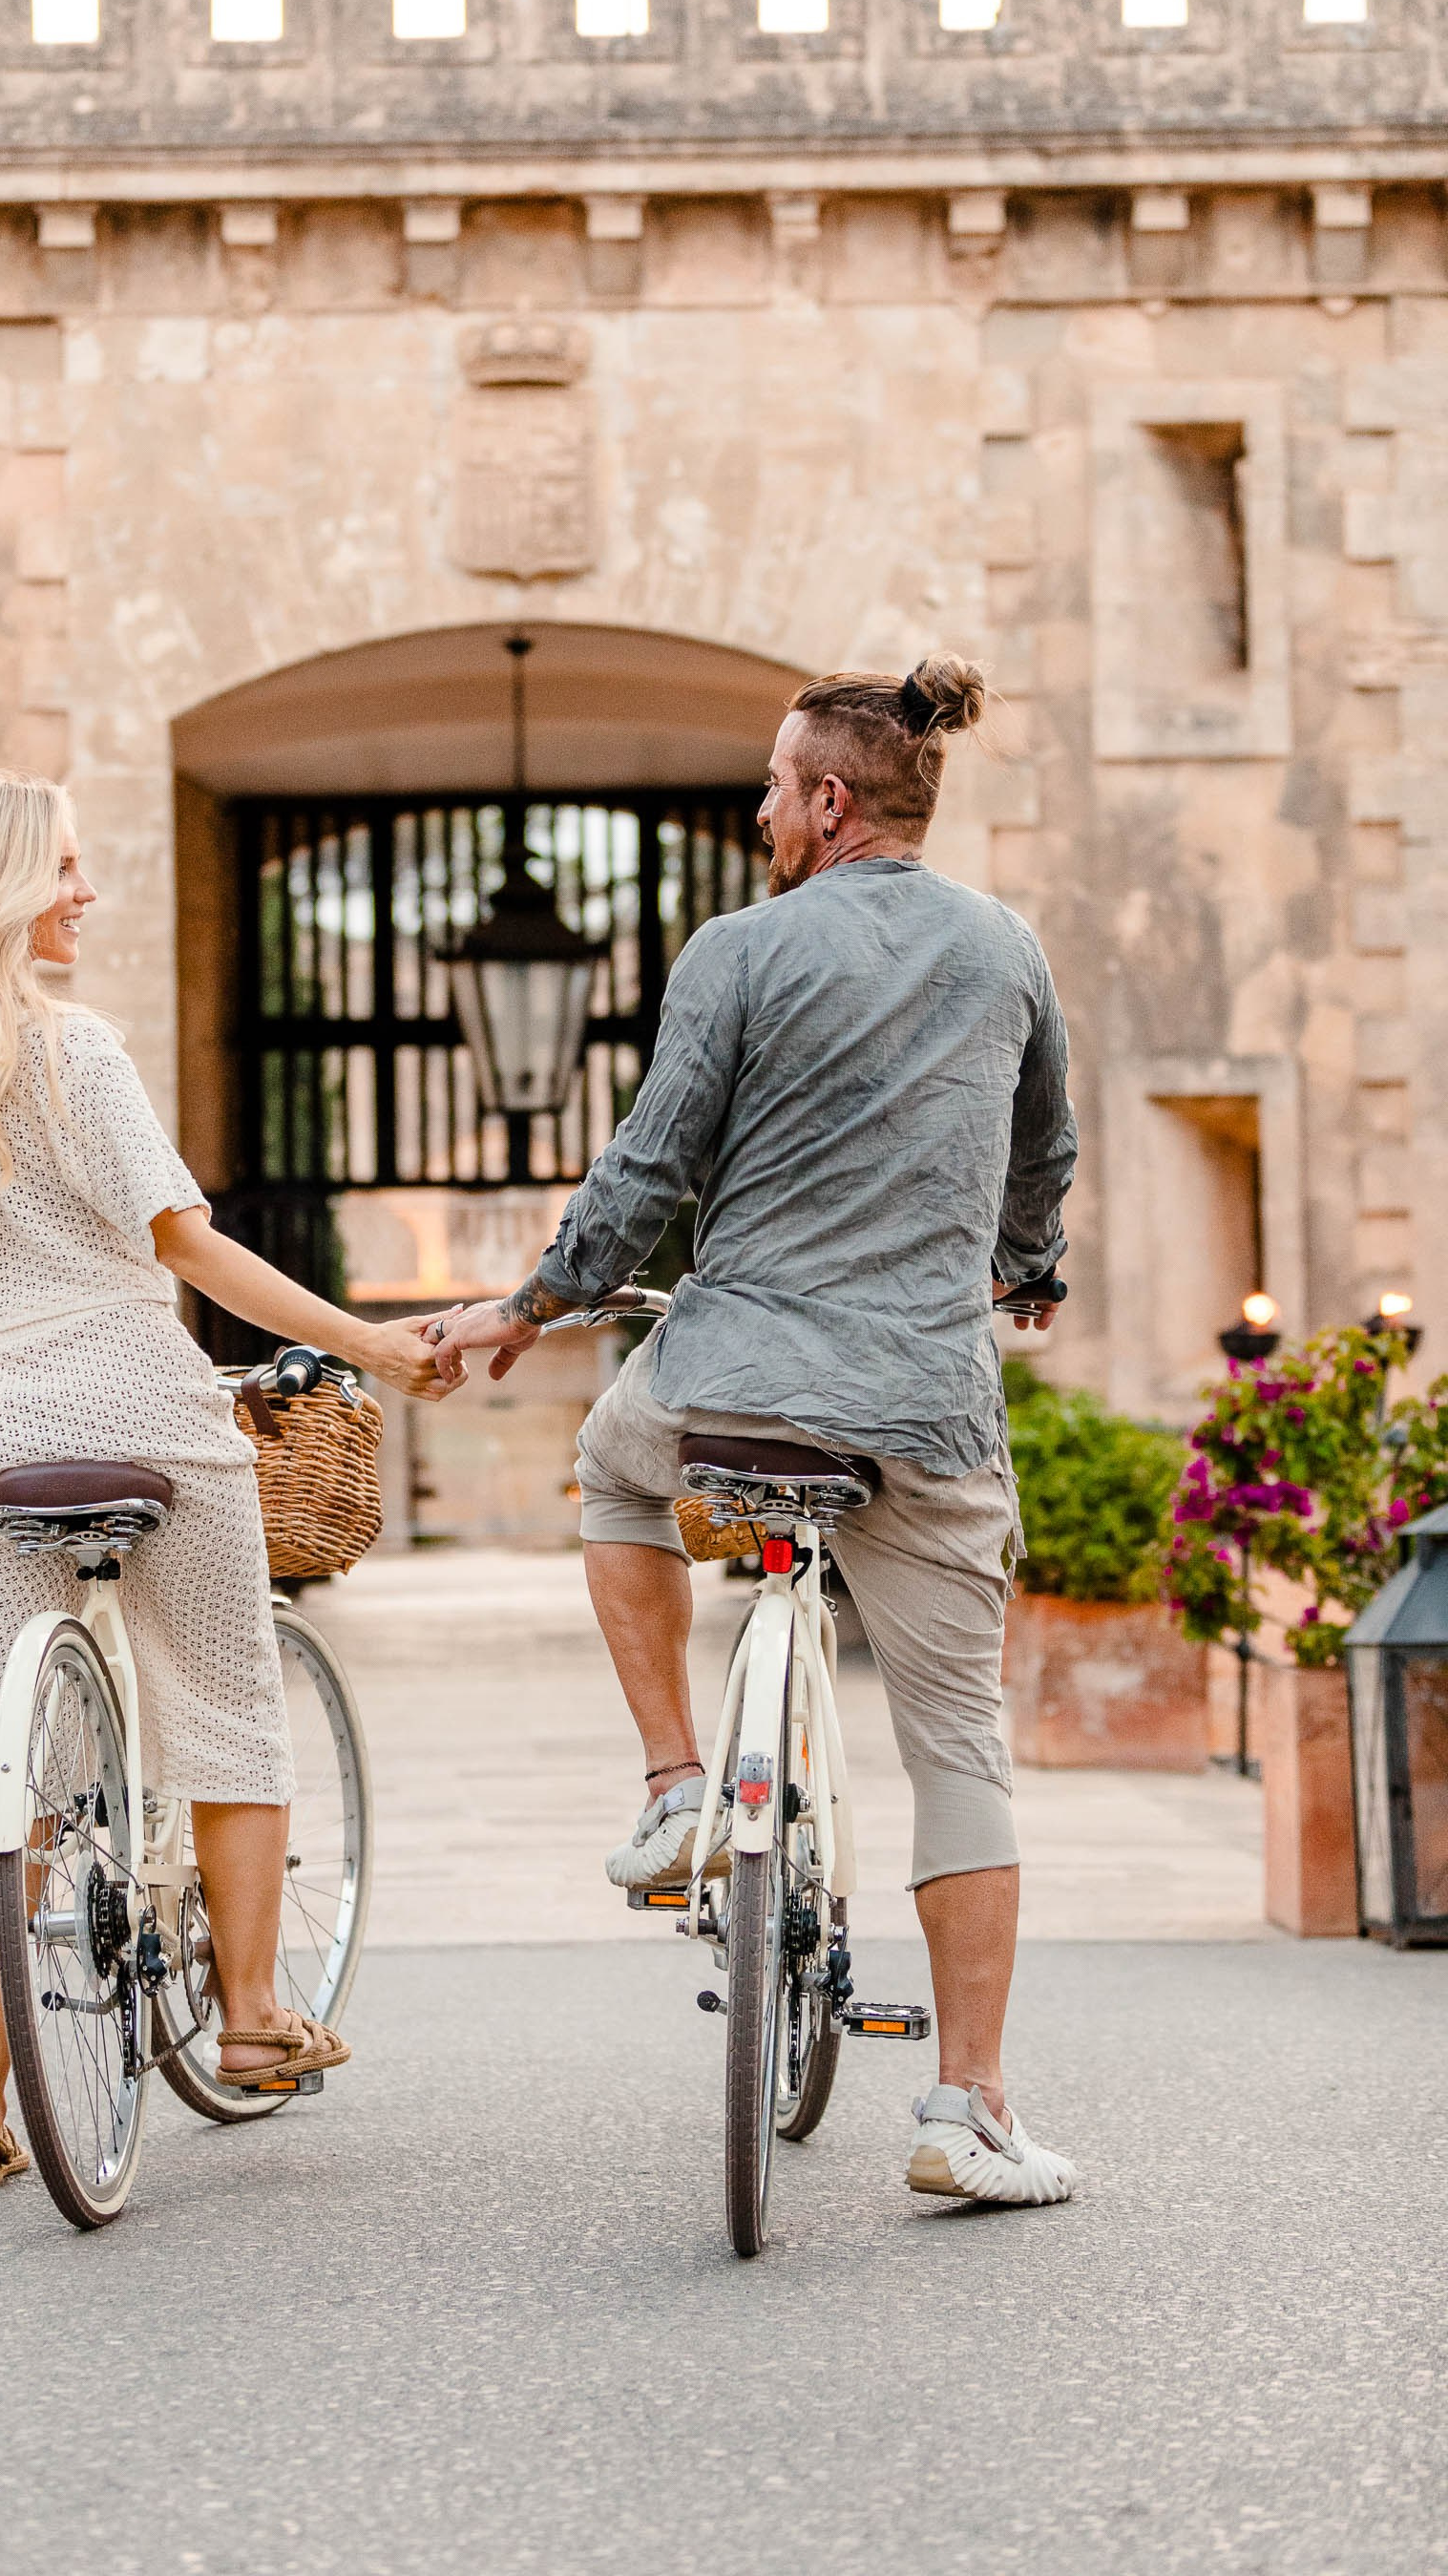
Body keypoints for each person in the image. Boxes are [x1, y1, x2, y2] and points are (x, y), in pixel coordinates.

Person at [428, 657, 1080, 2207]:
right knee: (958, 1747)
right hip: (921, 1400)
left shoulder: (738, 950)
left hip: (724, 1380)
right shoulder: (1006, 952)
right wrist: (1027, 1269)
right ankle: (968, 2111)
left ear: (831, 803)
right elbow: (1040, 1153)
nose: (763, 810)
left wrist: (530, 1307)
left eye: (779, 788)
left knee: (610, 1469)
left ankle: (672, 1785)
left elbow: (651, 1170)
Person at [0, 771, 446, 2186]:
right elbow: (182, 1245)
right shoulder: (73, 1052)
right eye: (62, 867)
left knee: (0, 1761)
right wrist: (364, 1346)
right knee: (227, 1694)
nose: (85, 890)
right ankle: (247, 2017)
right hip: (128, 1385)